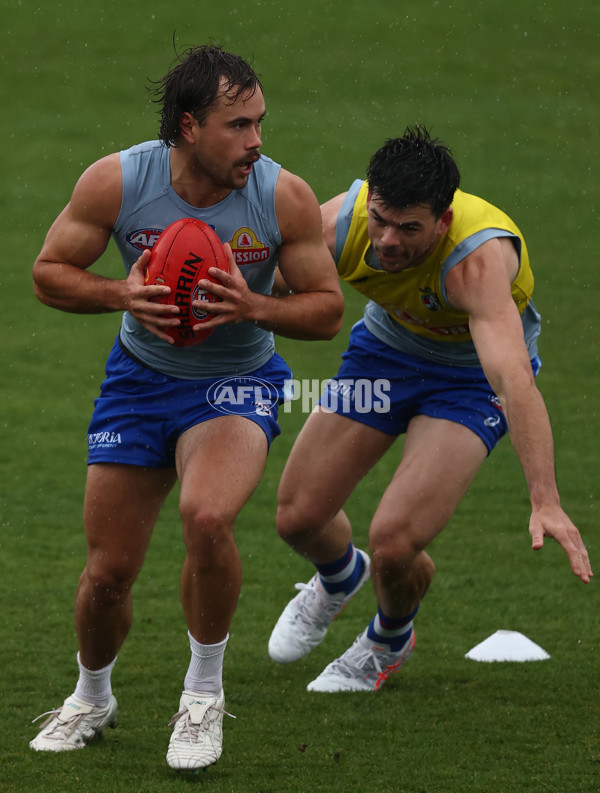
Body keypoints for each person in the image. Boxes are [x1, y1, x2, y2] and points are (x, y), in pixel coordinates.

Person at [29, 45, 343, 768]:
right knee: (108, 574)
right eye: (239, 125)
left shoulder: (280, 195)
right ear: (189, 127)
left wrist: (254, 305)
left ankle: (202, 696)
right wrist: (121, 293)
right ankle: (91, 696)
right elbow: (48, 274)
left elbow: (327, 311)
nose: (257, 140)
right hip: (138, 380)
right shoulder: (119, 181)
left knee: (206, 515)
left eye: (260, 121)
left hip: (234, 383)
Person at [268, 125, 593, 692]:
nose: (389, 241)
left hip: (469, 379)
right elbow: (260, 283)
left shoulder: (477, 261)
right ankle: (342, 575)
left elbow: (512, 378)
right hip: (384, 354)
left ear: (442, 223)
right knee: (297, 517)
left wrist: (546, 498)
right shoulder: (339, 224)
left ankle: (388, 638)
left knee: (394, 541)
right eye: (383, 220)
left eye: (410, 229)